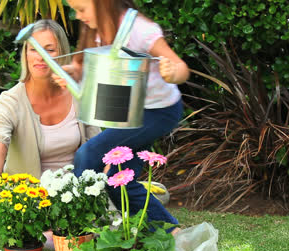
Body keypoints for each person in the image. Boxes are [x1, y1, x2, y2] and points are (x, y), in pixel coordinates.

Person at [0, 19, 101, 249]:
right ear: (25, 54)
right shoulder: (9, 103)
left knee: (131, 216)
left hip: (79, 201)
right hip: (35, 208)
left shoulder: (78, 93)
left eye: (49, 49)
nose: (40, 57)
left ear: (62, 53)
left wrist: (125, 182)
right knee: (57, 241)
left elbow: (100, 151)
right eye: (33, 49)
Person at [52, 0, 190, 234]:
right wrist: (72, 72)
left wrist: (172, 72)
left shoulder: (139, 30)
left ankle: (77, 229)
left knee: (89, 154)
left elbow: (181, 67)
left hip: (159, 112)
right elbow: (85, 67)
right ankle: (170, 232)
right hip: (130, 113)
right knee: (118, 179)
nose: (77, 16)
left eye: (81, 9)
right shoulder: (96, 28)